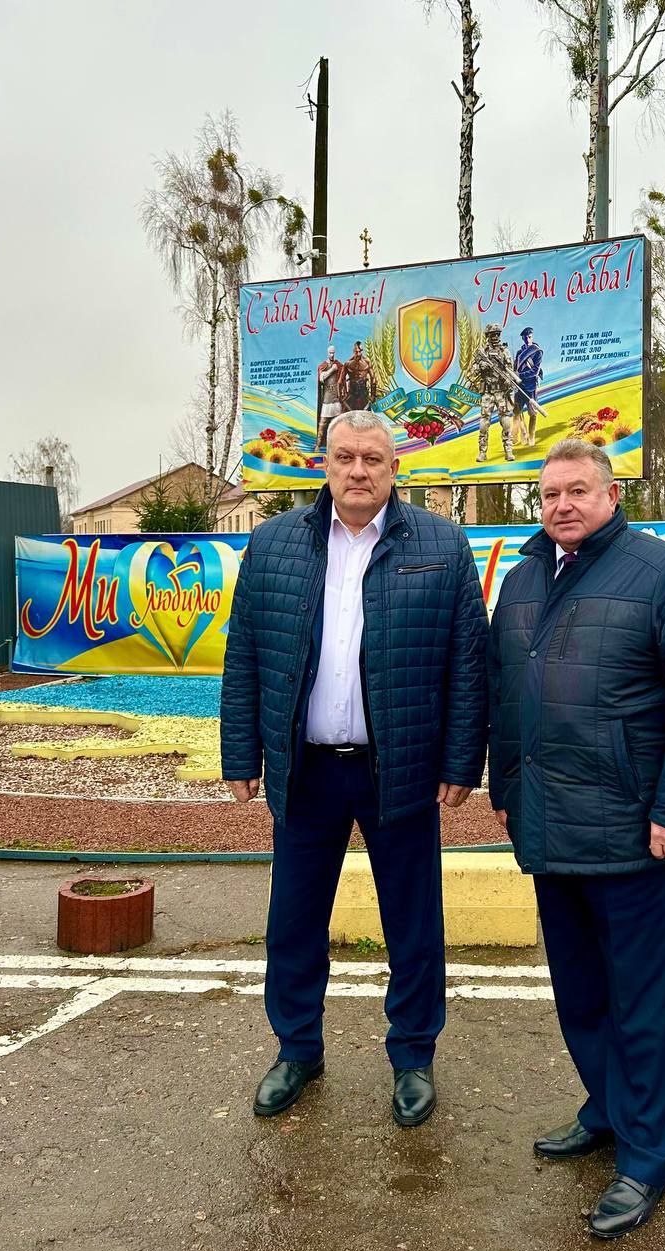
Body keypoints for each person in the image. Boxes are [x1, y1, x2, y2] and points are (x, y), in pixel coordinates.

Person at [487, 438, 665, 1240]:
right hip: (547, 824)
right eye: (549, 493)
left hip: (632, 832)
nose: (561, 505)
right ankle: (605, 1109)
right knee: (582, 993)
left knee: (644, 1005)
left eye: (576, 490)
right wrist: (506, 790)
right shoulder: (523, 579)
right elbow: (504, 693)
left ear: (611, 494)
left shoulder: (662, 573)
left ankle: (646, 1158)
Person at [220, 410, 488, 1128]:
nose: (359, 470)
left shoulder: (441, 543)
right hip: (305, 771)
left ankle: (413, 1057)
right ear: (325, 464)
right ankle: (297, 1049)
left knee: (413, 922)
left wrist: (462, 760)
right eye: (345, 457)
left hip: (400, 769)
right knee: (293, 920)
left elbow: (467, 663)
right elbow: (244, 654)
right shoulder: (274, 543)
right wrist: (241, 752)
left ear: (395, 469)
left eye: (373, 459)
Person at [471, 323, 516, 463]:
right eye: (493, 334)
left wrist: (508, 380)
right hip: (488, 393)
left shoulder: (505, 352)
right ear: (488, 336)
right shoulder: (482, 353)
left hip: (501, 392)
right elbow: (471, 372)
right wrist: (480, 366)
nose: (496, 337)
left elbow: (510, 370)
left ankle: (508, 450)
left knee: (506, 421)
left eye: (497, 334)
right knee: (484, 423)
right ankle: (482, 452)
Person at [512, 325, 544, 448]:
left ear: (532, 337)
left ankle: (531, 437)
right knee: (516, 412)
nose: (527, 339)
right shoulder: (519, 353)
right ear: (523, 338)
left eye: (529, 337)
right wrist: (514, 376)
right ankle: (522, 434)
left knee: (532, 413)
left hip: (530, 386)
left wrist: (520, 375)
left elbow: (535, 371)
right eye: (525, 337)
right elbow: (515, 368)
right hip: (519, 386)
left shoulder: (537, 352)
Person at [315, 345, 344, 450]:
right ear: (327, 353)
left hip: (336, 398)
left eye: (333, 353)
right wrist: (332, 370)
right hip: (327, 398)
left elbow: (343, 377)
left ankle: (340, 445)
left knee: (339, 422)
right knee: (322, 423)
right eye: (330, 353)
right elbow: (321, 378)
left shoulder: (339, 365)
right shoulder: (323, 365)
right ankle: (318, 445)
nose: (332, 355)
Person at [339, 340, 377, 411]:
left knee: (366, 415)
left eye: (360, 351)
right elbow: (340, 381)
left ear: (362, 351)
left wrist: (373, 395)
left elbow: (373, 379)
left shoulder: (367, 362)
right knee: (347, 414)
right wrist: (340, 396)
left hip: (364, 394)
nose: (358, 354)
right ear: (354, 351)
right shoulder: (347, 364)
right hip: (351, 394)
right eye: (356, 352)